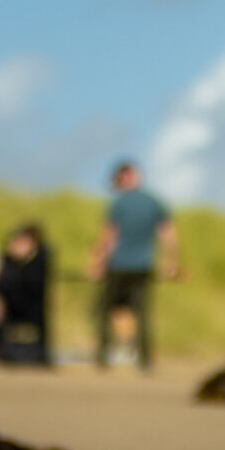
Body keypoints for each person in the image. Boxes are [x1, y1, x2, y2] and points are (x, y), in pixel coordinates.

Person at [88, 158, 178, 371]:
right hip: (143, 266)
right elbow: (168, 234)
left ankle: (103, 356)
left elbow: (110, 236)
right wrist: (170, 262)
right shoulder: (154, 202)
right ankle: (145, 359)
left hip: (118, 265)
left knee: (103, 310)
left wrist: (98, 262)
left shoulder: (120, 203)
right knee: (142, 313)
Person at [0, 221, 52, 366]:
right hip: (9, 307)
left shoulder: (38, 262)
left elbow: (29, 289)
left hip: (29, 307)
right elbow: (2, 286)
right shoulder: (9, 262)